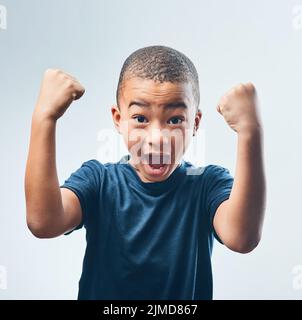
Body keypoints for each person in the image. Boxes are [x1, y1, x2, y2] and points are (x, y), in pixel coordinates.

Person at [24, 45, 266, 300]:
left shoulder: (207, 185)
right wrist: (44, 118)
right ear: (118, 119)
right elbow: (44, 222)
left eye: (174, 120)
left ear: (195, 123)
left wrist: (250, 131)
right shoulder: (98, 180)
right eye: (140, 118)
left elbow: (242, 238)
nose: (157, 138)